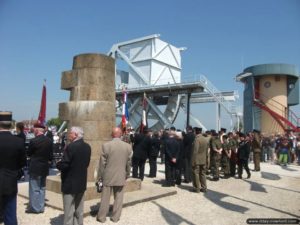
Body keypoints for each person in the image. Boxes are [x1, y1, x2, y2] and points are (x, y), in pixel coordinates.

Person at [96, 127, 132, 223]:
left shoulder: (106, 146)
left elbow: (102, 164)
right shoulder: (128, 146)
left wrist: (100, 176)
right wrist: (127, 174)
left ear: (112, 134)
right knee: (119, 198)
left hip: (108, 175)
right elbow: (129, 163)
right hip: (121, 175)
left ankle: (102, 217)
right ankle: (115, 217)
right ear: (120, 134)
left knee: (105, 198)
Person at [56, 126, 91, 225]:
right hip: (81, 182)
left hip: (69, 183)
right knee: (79, 209)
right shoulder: (87, 147)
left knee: (68, 210)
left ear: (75, 135)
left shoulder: (71, 147)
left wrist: (58, 164)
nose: (68, 135)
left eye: (70, 133)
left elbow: (65, 165)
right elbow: (86, 164)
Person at [0, 111, 26, 225]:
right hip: (10, 181)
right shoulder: (18, 142)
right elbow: (22, 163)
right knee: (10, 215)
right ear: (10, 125)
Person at [26, 123, 53, 214]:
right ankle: (41, 207)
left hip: (35, 167)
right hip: (44, 167)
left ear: (37, 130)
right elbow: (50, 156)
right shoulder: (49, 141)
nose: (33, 131)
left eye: (34, 130)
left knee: (34, 188)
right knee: (42, 188)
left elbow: (29, 153)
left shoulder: (33, 141)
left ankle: (34, 208)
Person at [191, 128, 209, 193]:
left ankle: (197, 188)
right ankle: (204, 188)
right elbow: (207, 151)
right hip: (203, 159)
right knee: (203, 174)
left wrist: (192, 161)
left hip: (197, 160)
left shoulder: (197, 139)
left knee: (196, 173)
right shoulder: (205, 139)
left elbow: (195, 151)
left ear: (195, 132)